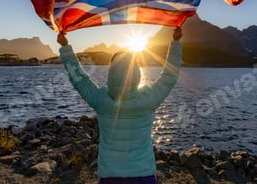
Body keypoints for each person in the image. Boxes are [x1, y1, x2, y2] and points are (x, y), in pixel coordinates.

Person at [57, 27, 183, 184]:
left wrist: (65, 47)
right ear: (136, 73)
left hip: (110, 176)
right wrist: (176, 42)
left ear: (111, 73)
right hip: (143, 175)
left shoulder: (101, 100)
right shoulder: (148, 100)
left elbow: (79, 79)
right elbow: (170, 76)